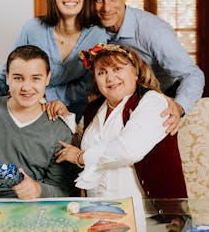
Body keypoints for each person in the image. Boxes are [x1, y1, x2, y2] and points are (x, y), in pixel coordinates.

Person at [55, 43, 187, 231]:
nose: (110, 78)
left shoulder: (152, 102)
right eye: (101, 73)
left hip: (146, 215)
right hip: (99, 213)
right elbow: (78, 142)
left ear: (136, 72)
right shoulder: (95, 108)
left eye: (117, 68)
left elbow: (127, 150)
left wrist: (80, 157)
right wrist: (63, 115)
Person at [90, 0, 205, 133]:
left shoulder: (154, 31)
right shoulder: (90, 29)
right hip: (113, 101)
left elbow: (192, 74)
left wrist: (179, 107)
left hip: (159, 96)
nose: (106, 8)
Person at [0, 45, 75, 199]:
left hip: (33, 207)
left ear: (48, 78)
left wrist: (37, 189)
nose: (26, 87)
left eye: (35, 78)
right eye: (18, 78)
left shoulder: (60, 130)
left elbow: (62, 190)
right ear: (7, 77)